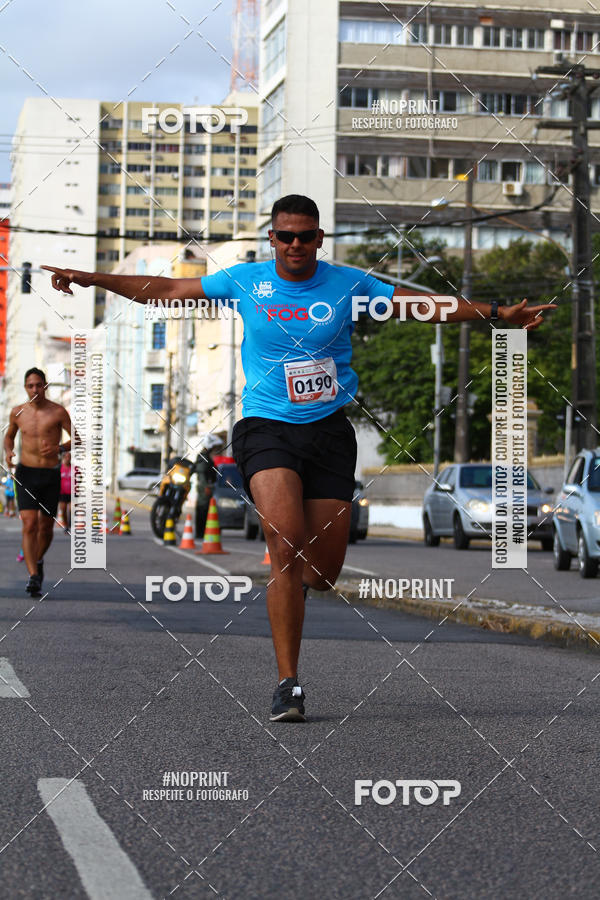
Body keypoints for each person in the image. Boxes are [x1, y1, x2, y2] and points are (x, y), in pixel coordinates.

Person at [42, 194, 554, 720]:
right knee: (284, 544)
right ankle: (288, 683)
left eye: (305, 236)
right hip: (266, 427)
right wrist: (92, 277)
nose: (295, 244)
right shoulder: (244, 280)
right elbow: (168, 289)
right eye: (285, 236)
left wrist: (498, 314)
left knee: (323, 573)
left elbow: (420, 306)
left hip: (329, 431)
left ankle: (297, 589)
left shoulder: (350, 285)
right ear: (272, 238)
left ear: (319, 239)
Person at [4, 368, 72, 596]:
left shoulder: (58, 411)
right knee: (30, 524)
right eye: (30, 386)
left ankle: (38, 559)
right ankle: (33, 576)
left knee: (46, 528)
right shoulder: (17, 412)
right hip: (26, 473)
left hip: (50, 474)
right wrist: (8, 452)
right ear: (26, 387)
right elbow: (9, 436)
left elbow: (77, 438)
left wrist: (59, 448)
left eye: (38, 385)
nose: (34, 389)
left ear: (45, 386)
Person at [58, 451, 72, 534]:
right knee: (63, 510)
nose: (68, 459)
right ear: (63, 458)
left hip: (72, 493)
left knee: (71, 509)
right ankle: (66, 526)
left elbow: (79, 477)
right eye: (66, 457)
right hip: (62, 493)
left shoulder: (74, 468)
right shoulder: (60, 468)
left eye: (69, 457)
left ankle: (70, 523)